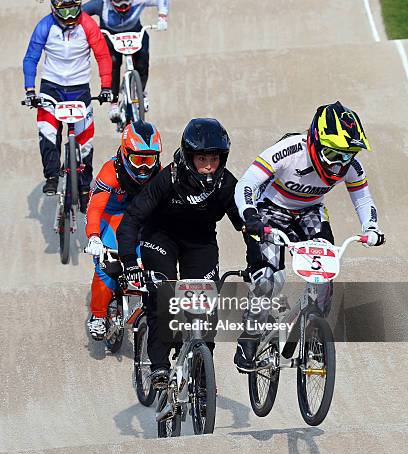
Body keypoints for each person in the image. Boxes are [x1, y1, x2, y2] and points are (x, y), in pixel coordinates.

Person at [233, 101, 386, 372]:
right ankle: (249, 335)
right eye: (332, 154)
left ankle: (312, 332)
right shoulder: (289, 151)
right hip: (270, 210)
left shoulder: (350, 164)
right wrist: (249, 215)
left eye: (347, 155)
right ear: (314, 141)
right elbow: (246, 183)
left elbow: (362, 197)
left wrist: (371, 227)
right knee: (268, 280)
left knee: (325, 275)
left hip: (311, 212)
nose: (339, 165)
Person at [117, 118, 243, 389]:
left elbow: (246, 225)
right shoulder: (168, 178)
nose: (208, 166)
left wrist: (258, 260)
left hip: (200, 242)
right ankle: (160, 368)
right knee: (163, 298)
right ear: (188, 156)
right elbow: (132, 218)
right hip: (161, 238)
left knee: (206, 306)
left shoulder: (226, 184)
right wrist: (129, 260)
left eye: (214, 158)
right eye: (201, 158)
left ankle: (201, 368)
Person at [22, 0, 112, 210]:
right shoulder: (45, 26)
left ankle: (84, 188)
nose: (70, 15)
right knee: (48, 132)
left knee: (86, 142)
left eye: (74, 9)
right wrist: (30, 90)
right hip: (51, 87)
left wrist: (106, 87)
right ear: (53, 8)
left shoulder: (88, 25)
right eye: (64, 10)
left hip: (80, 88)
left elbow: (103, 55)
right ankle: (52, 176)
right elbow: (31, 58)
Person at [85, 120, 162, 339]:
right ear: (125, 154)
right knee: (107, 266)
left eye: (150, 160)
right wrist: (93, 237)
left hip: (139, 219)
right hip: (108, 218)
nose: (145, 168)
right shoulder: (110, 171)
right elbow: (95, 207)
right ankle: (98, 315)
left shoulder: (159, 173)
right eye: (138, 160)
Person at [83, 0, 169, 122]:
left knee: (143, 62)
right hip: (110, 36)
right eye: (118, 1)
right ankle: (114, 102)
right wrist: (89, 30)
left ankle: (141, 93)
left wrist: (162, 16)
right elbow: (80, 14)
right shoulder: (100, 4)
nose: (123, 4)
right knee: (113, 64)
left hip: (135, 33)